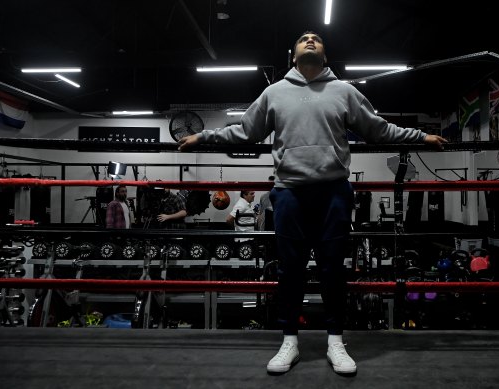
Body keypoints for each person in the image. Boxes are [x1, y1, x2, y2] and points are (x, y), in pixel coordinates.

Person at [178, 31, 446, 375]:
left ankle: (336, 341)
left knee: (333, 270)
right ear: (292, 55)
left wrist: (421, 136)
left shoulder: (344, 91)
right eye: (303, 38)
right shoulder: (274, 92)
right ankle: (289, 340)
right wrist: (203, 136)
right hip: (289, 193)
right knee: (289, 272)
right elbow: (245, 131)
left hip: (334, 193)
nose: (309, 40)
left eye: (316, 38)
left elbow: (377, 129)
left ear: (325, 54)